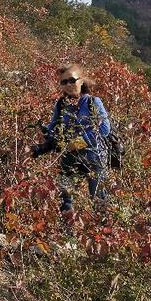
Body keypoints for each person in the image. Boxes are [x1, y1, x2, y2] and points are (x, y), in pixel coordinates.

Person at [31, 63, 111, 216]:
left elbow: (104, 129)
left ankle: (104, 234)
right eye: (63, 82)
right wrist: (41, 142)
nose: (68, 85)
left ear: (81, 81)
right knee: (65, 199)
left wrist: (77, 143)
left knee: (100, 201)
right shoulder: (61, 105)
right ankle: (68, 233)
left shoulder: (93, 102)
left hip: (94, 159)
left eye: (72, 80)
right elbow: (54, 131)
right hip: (69, 159)